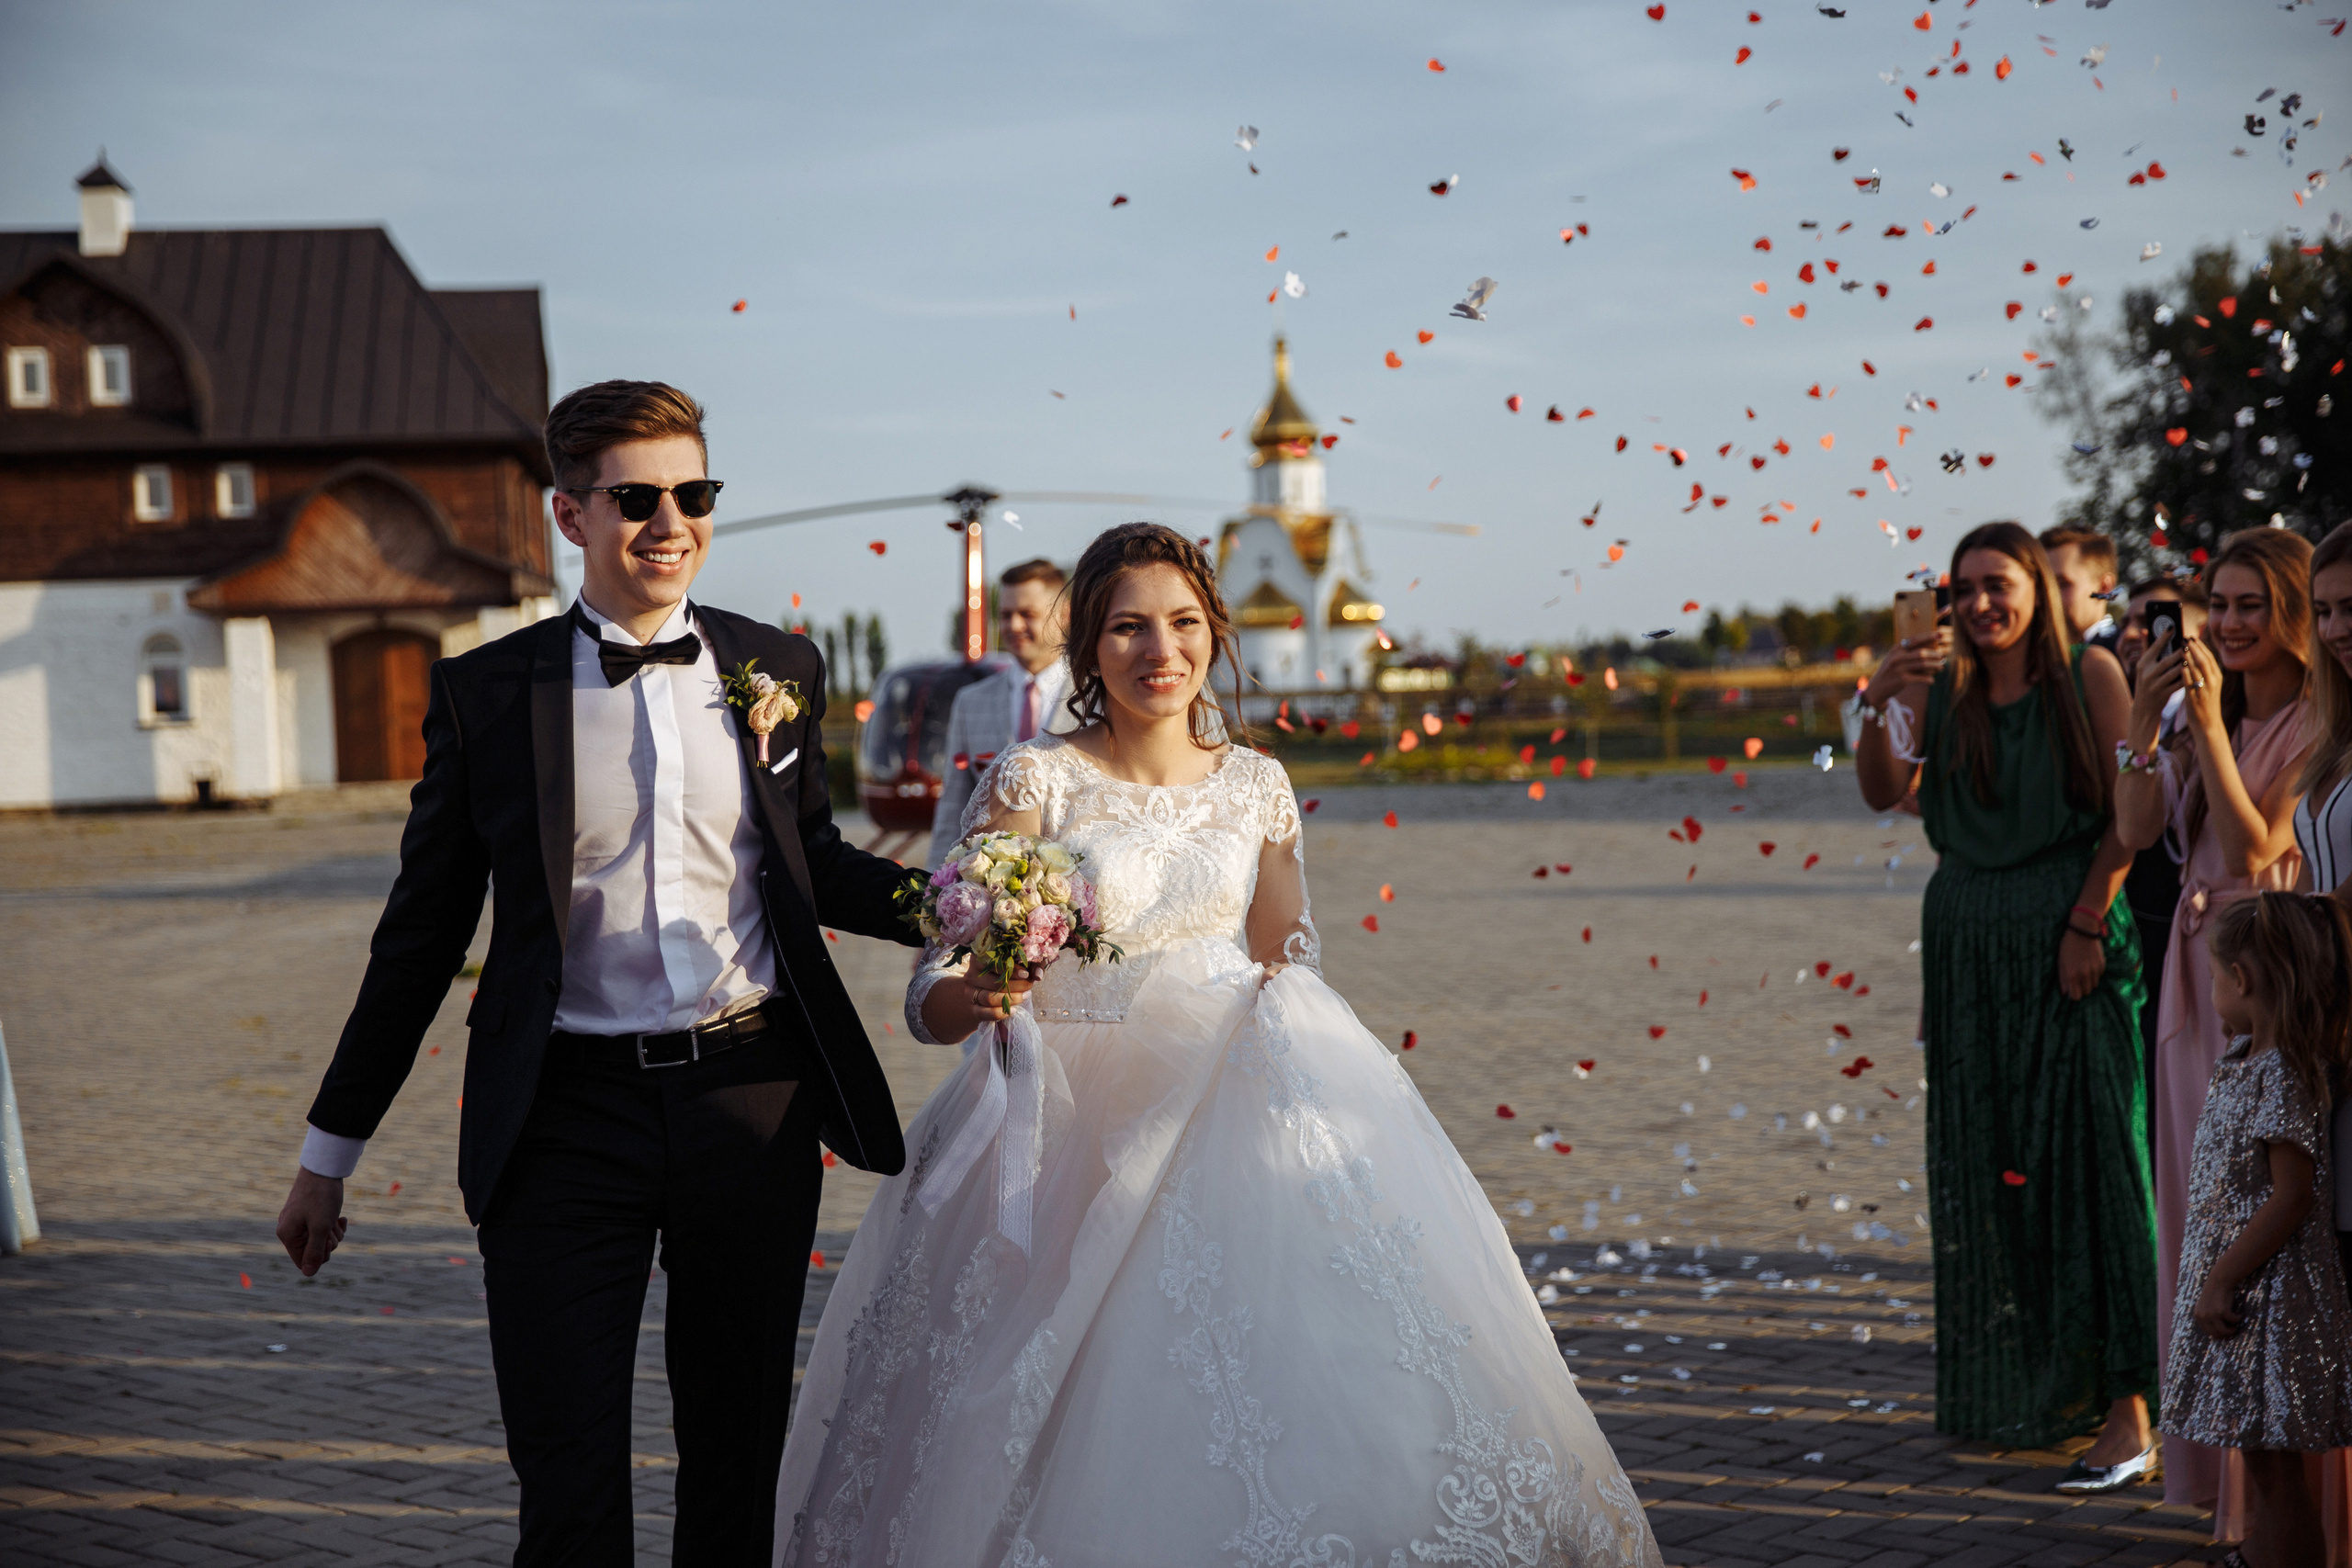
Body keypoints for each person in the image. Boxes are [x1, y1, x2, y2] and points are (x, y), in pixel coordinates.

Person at [774, 524, 1661, 1567]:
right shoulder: (1036, 780)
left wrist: (1285, 1016)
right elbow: (932, 989)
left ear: (1214, 633)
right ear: (1090, 649)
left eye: (1184, 623)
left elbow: (1287, 951)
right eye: (1129, 627)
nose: (1162, 650)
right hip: (1065, 1119)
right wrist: (978, 995)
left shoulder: (1255, 786)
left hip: (1225, 1098)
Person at [273, 380, 922, 1566]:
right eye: (637, 497)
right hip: (562, 1113)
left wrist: (965, 912)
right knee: (567, 1459)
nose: (671, 520)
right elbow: (419, 933)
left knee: (738, 1448)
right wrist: (329, 1155)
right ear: (569, 515)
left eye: (695, 492)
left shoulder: (778, 664)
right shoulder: (489, 692)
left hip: (750, 1095)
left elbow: (811, 862)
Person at [1852, 521, 2158, 1485]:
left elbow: (2126, 820)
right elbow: (1879, 793)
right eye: (1965, 588)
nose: (1981, 604)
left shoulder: (2091, 679)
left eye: (1999, 584)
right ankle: (2031, 1385)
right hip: (1969, 946)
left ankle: (2129, 1407)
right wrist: (1878, 701)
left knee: (2095, 1162)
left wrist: (2083, 922)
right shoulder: (1941, 690)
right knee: (1998, 1168)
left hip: (2068, 933)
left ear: (2034, 586)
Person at [2116, 526, 2315, 1524]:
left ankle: (2268, 1498)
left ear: (2291, 615)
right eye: (2216, 606)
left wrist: (2208, 723)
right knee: (2195, 1214)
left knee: (2250, 1215)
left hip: (2268, 976)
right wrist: (2148, 732)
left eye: (2249, 607)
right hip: (2195, 977)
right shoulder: (2217, 716)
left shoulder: (2317, 720)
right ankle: (2213, 1484)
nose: (2227, 626)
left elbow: (2253, 842)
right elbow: (2137, 830)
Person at [2160, 891, 2352, 1568]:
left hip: (2268, 1303)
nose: (2212, 991)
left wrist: (2222, 1275)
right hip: (2246, 1303)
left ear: (2241, 980)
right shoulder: (2249, 1057)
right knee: (2263, 1463)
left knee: (2275, 1472)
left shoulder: (2282, 1074)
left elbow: (2293, 1194)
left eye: (2214, 977)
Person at [2117, 576, 2212, 1145]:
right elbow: (2133, 826)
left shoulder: (2216, 717)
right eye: (2130, 622)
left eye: (2157, 625)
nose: (2140, 636)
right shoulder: (2141, 713)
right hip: (2154, 938)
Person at [930, 557, 1078, 869]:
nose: (1014, 626)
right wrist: (933, 890)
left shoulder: (1096, 694)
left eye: (1028, 614)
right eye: (1006, 615)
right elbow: (953, 807)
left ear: (1064, 615)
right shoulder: (971, 702)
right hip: (996, 899)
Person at [2041, 523, 2124, 653]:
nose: (2048, 596)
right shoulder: (2036, 657)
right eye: (2041, 585)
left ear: (2104, 587)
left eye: (2062, 584)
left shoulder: (2125, 652)